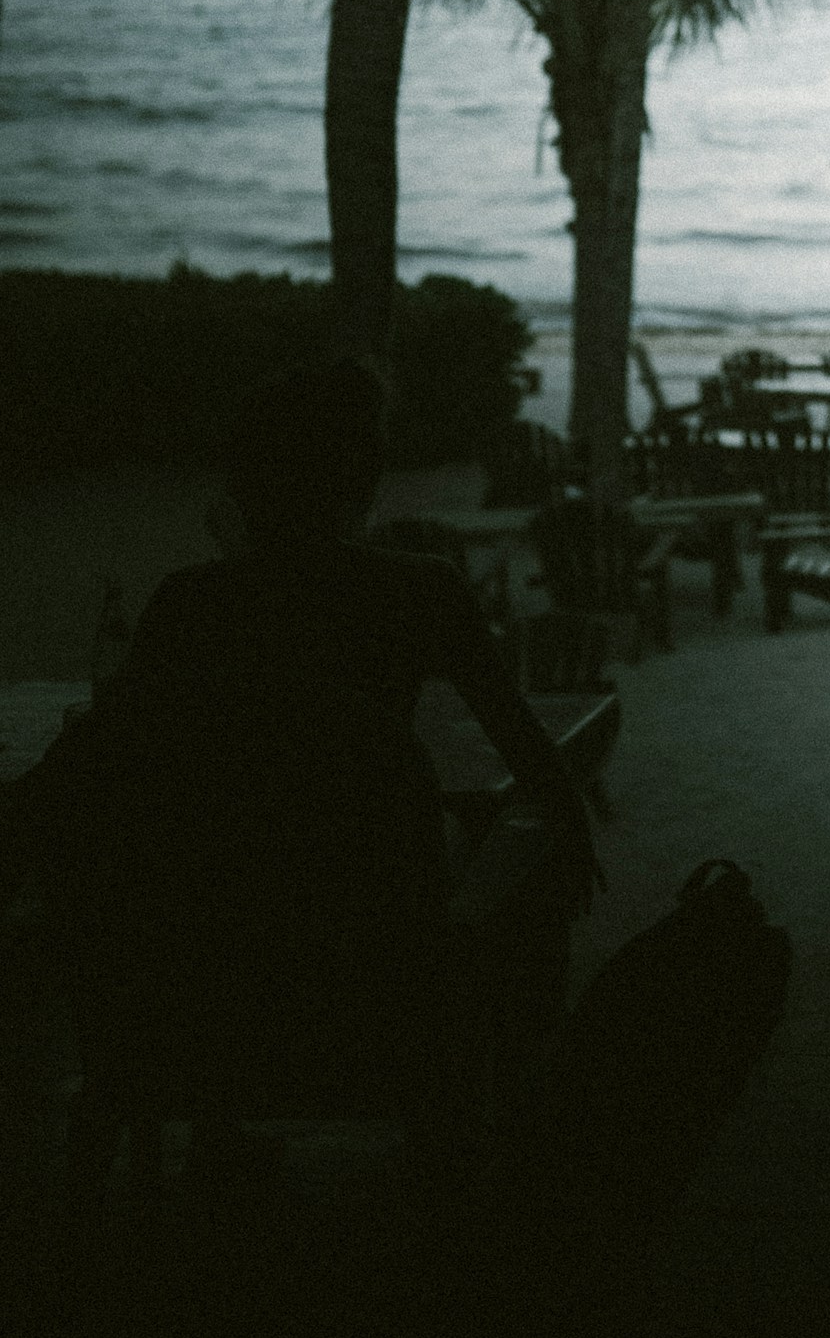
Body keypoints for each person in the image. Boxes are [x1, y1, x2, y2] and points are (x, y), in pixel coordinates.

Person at [33, 358, 599, 1189]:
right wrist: (572, 833)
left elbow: (103, 757)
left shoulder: (193, 602)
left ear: (242, 490)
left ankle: (213, 1120)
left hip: (218, 954)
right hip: (377, 927)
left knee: (237, 850)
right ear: (363, 485)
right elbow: (525, 747)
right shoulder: (419, 591)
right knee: (508, 858)